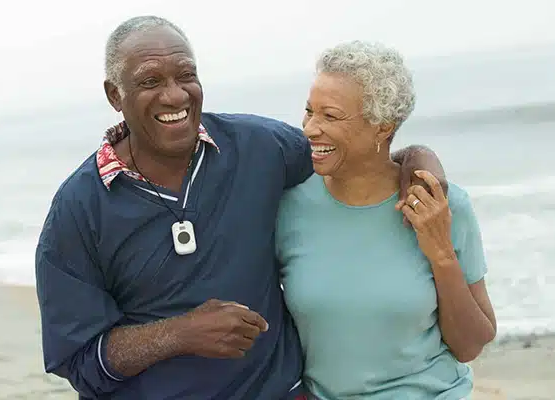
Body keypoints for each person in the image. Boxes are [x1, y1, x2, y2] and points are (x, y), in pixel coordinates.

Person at [35, 16, 448, 400]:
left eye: (186, 75)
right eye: (150, 81)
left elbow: (351, 158)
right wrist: (180, 334)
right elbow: (79, 359)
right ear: (114, 94)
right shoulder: (78, 209)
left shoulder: (259, 146)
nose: (174, 94)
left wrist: (419, 157)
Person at [276, 41, 497, 400]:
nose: (310, 129)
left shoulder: (442, 203)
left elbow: (470, 346)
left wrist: (441, 253)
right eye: (308, 111)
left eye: (330, 116)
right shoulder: (289, 204)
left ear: (382, 127)